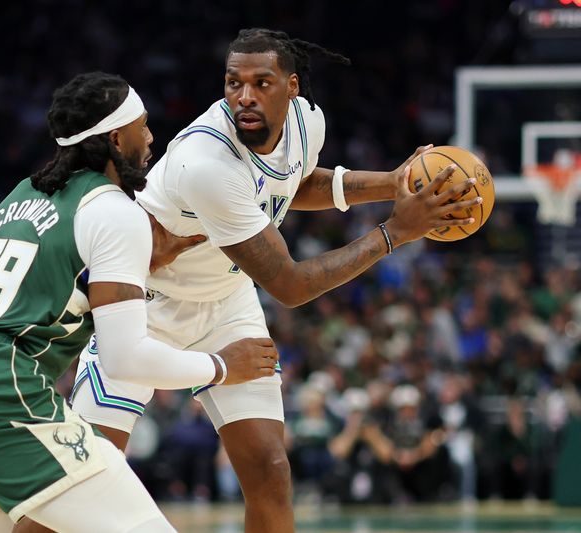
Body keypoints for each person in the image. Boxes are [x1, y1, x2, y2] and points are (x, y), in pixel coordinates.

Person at [68, 29, 481, 533]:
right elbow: (290, 285)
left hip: (227, 302)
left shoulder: (308, 125)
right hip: (149, 303)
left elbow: (297, 182)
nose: (244, 95)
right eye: (233, 82)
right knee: (84, 478)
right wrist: (395, 232)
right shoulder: (206, 161)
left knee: (270, 470)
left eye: (261, 83)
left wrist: (392, 182)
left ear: (291, 89)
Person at [0, 72, 279, 533]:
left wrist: (144, 257)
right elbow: (126, 358)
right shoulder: (117, 209)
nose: (152, 137)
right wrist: (221, 366)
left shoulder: (23, 193)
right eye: (143, 126)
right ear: (115, 138)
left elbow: (58, 267)